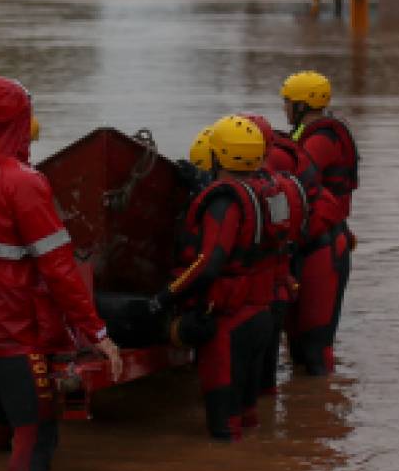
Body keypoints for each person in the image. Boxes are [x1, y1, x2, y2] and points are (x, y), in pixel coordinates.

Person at [0, 75, 121, 471]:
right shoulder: (23, 182)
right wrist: (96, 332)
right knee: (35, 439)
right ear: (19, 119)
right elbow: (60, 269)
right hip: (15, 335)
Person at [147, 116, 296, 441]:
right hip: (263, 315)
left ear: (217, 156)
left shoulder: (225, 200)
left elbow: (209, 263)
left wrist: (163, 298)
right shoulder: (272, 190)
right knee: (250, 418)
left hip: (229, 322)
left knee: (224, 432)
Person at [281, 71, 359, 376]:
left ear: (301, 105)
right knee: (297, 342)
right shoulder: (309, 135)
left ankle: (323, 409)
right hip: (313, 240)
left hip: (324, 246)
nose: (284, 109)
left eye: (287, 103)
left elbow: (296, 179)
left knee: (315, 344)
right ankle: (307, 409)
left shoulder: (321, 140)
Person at [240, 112, 320, 394]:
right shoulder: (280, 187)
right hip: (278, 287)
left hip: (258, 295)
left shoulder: (253, 190)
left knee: (246, 385)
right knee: (266, 382)